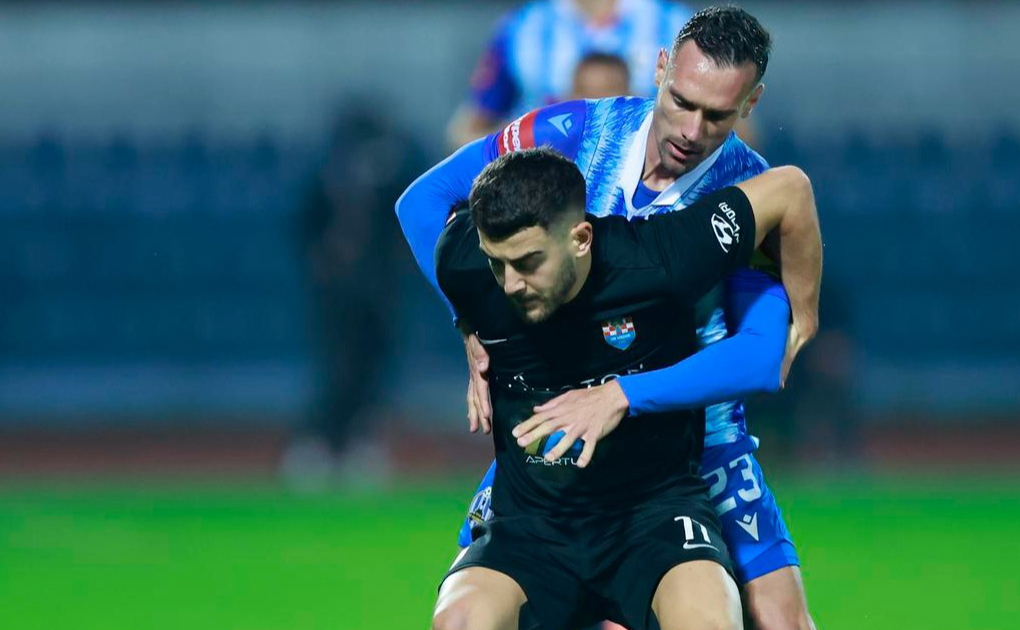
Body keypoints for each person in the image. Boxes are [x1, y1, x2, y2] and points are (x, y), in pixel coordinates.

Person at [398, 7, 819, 629]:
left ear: (750, 104)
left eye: (717, 116)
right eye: (682, 102)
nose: (692, 131)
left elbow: (761, 352)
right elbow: (423, 201)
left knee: (780, 620)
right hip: (556, 424)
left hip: (692, 441)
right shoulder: (574, 133)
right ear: (660, 69)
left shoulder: (742, 197)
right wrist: (474, 323)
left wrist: (623, 394)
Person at [284, 103, 422, 490]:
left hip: (378, 293)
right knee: (337, 371)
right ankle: (318, 444)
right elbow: (304, 228)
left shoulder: (389, 177)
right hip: (337, 295)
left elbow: (402, 227)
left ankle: (360, 442)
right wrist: (323, 262)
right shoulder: (325, 178)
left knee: (373, 369)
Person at [446, 0, 692, 149]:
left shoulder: (674, 25)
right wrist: (519, 149)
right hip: (544, 195)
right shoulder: (523, 27)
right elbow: (464, 130)